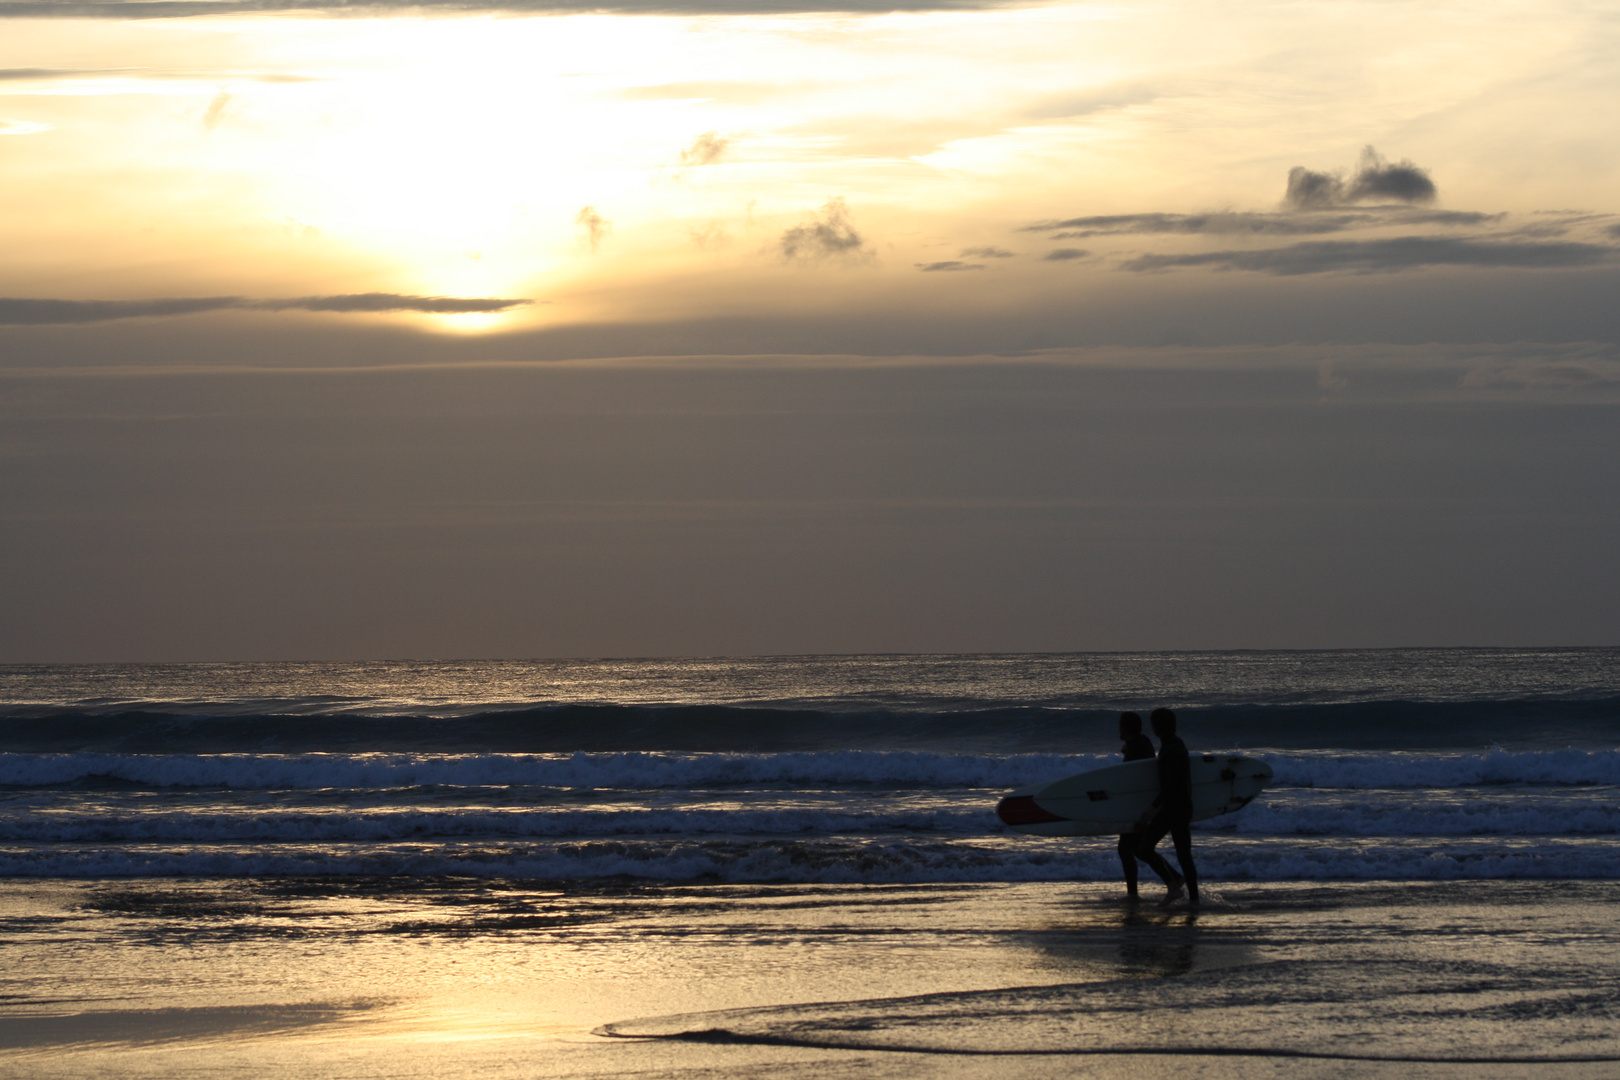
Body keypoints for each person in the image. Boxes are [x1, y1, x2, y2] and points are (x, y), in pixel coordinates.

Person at [1134, 707, 1199, 904]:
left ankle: (1191, 898)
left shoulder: (1172, 748)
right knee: (1145, 849)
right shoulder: (1172, 745)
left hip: (1176, 808)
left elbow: (1172, 784)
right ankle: (1176, 883)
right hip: (1175, 807)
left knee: (1180, 854)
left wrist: (1153, 808)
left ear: (1155, 728)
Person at [1116, 711, 1156, 899]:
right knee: (1138, 849)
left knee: (1128, 849)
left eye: (1120, 727)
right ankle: (1173, 878)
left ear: (1124, 729)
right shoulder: (1141, 744)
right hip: (1141, 806)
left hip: (1139, 808)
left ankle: (1133, 893)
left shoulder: (1137, 749)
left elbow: (1134, 779)